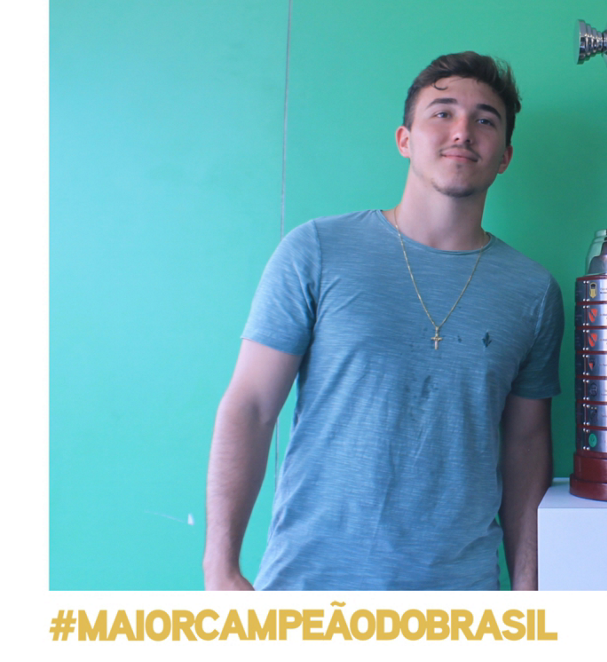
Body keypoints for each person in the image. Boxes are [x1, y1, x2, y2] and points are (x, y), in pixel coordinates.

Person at [202, 52, 563, 591]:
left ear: (505, 156)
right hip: (309, 589)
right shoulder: (317, 250)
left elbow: (526, 448)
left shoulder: (533, 291)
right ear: (404, 139)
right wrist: (220, 568)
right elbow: (250, 407)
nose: (462, 131)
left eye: (485, 120)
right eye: (442, 113)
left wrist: (530, 591)